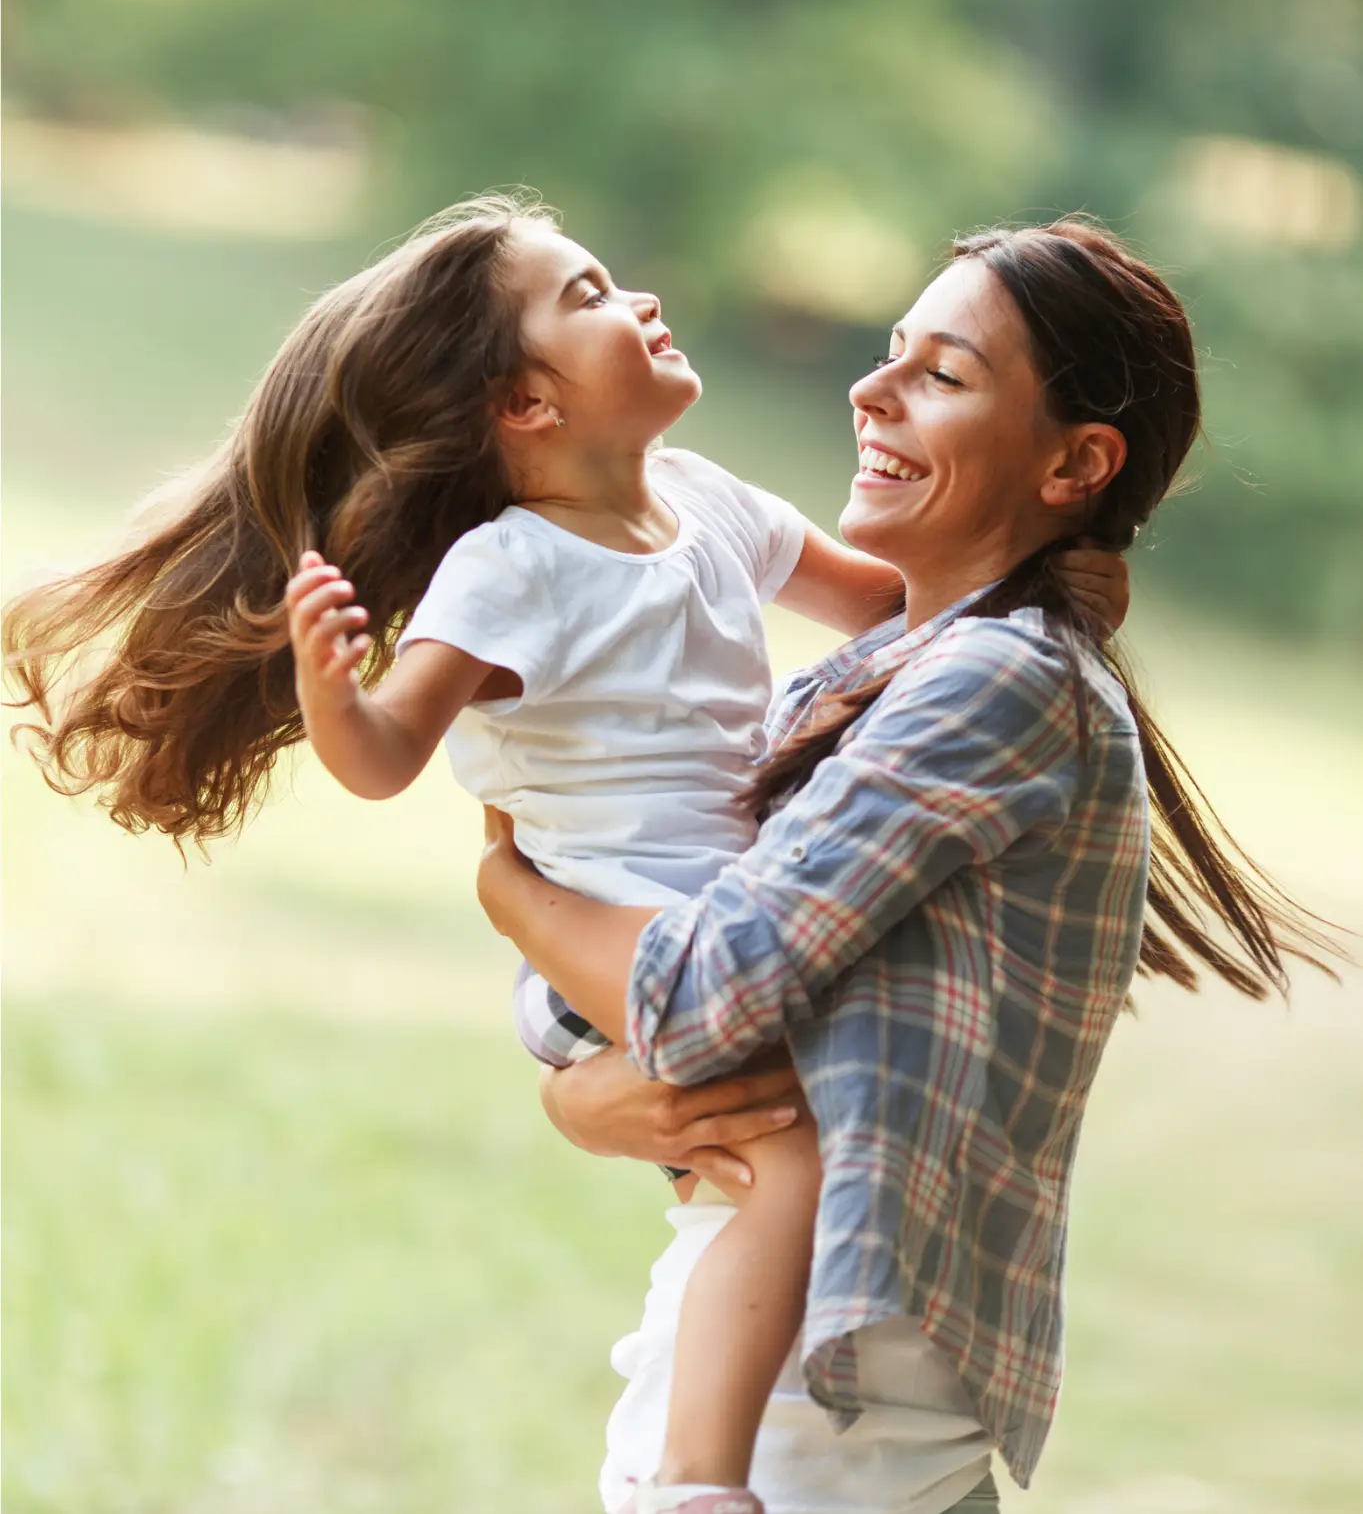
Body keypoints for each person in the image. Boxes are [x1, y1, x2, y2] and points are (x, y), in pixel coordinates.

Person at [1, 195, 1127, 1514]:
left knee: (782, 1160)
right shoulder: (512, 568)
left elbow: (887, 616)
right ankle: (703, 1481)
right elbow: (381, 756)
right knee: (785, 1163)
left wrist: (505, 895)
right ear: (525, 405)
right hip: (633, 928)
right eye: (588, 294)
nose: (639, 297)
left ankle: (699, 1473)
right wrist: (329, 684)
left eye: (936, 373)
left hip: (729, 1064)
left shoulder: (769, 543)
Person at [476, 218, 1339, 1514]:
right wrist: (582, 1096)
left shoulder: (1004, 680)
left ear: (1072, 464)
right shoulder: (879, 677)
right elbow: (723, 1034)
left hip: (825, 1437)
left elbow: (703, 989)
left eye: (939, 373)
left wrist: (509, 892)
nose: (867, 393)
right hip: (794, 1403)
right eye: (887, 355)